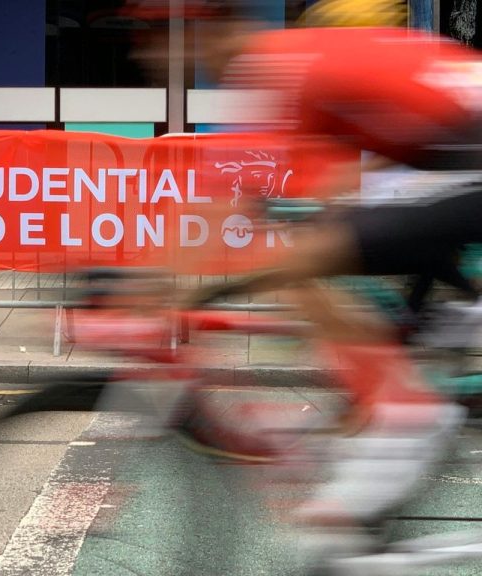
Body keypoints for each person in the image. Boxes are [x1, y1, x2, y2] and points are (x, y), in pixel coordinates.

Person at [125, 0, 479, 567]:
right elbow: (288, 188)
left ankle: (405, 420)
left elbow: (228, 196)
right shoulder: (297, 61)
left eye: (157, 38)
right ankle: (385, 424)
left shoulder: (280, 65)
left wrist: (176, 289)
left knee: (300, 263)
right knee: (308, 257)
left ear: (207, 31)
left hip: (465, 164)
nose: (146, 54)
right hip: (452, 159)